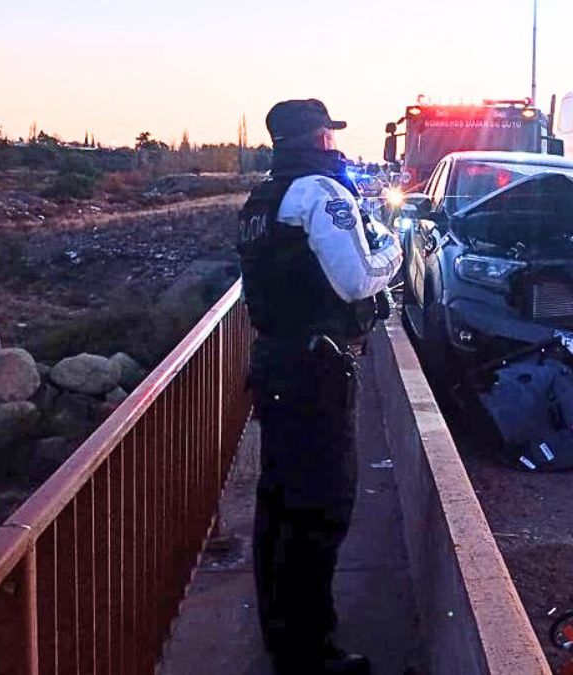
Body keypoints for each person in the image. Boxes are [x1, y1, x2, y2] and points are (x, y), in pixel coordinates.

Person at [237, 99, 401, 674]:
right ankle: (313, 651)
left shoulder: (265, 198)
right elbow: (357, 280)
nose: (336, 142)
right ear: (318, 138)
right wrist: (393, 254)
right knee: (321, 509)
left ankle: (283, 636)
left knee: (279, 505)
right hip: (316, 373)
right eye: (330, 132)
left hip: (278, 365)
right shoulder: (321, 193)